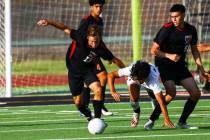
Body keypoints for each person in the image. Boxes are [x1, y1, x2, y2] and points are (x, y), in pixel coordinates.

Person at [37, 19, 123, 123]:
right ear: (87, 38)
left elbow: (115, 60)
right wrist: (50, 22)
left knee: (98, 89)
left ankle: (97, 119)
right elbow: (65, 28)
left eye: (96, 41)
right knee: (78, 102)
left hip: (88, 72)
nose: (94, 44)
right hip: (74, 73)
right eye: (92, 41)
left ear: (100, 38)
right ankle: (88, 115)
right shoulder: (80, 37)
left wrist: (127, 72)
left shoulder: (101, 48)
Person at [145, 4, 209, 130]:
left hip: (180, 66)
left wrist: (202, 70)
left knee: (196, 93)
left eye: (176, 16)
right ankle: (151, 119)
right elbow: (153, 50)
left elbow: (195, 50)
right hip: (164, 65)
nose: (173, 19)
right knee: (171, 93)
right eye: (172, 16)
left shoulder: (191, 30)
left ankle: (182, 122)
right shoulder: (166, 29)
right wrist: (168, 55)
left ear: (183, 15)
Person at [107, 60, 175, 128]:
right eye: (136, 78)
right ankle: (136, 112)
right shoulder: (130, 71)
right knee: (133, 97)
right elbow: (111, 75)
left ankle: (153, 111)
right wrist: (113, 91)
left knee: (156, 98)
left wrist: (166, 118)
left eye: (139, 79)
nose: (137, 81)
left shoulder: (153, 80)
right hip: (138, 76)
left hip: (149, 80)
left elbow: (161, 102)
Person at [78, 0, 117, 116]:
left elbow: (99, 40)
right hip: (86, 54)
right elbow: (80, 39)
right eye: (96, 6)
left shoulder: (100, 21)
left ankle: (87, 107)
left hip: (95, 53)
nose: (99, 9)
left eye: (101, 6)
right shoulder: (86, 21)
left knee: (91, 81)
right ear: (91, 7)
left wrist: (106, 54)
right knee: (103, 76)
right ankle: (98, 106)